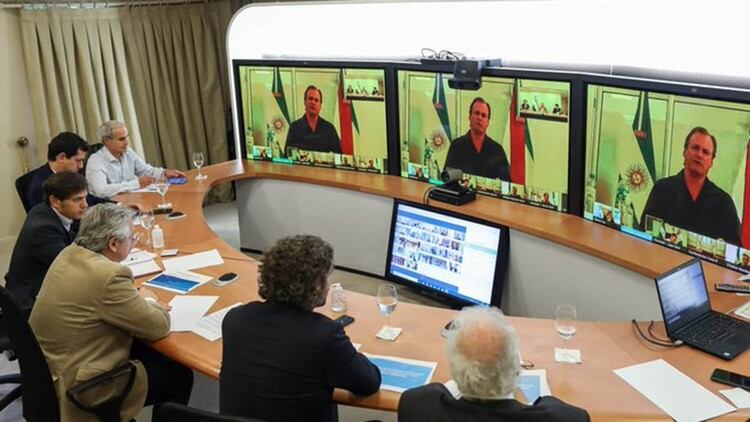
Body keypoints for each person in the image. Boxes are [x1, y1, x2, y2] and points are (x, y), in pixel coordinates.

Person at [29, 203, 193, 422]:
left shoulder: (69, 253)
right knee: (178, 375)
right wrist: (150, 300)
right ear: (113, 244)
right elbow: (158, 326)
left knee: (152, 352)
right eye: (132, 238)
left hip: (50, 372)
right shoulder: (109, 275)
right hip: (81, 387)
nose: (134, 242)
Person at [220, 235, 380, 422]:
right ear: (316, 285)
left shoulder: (235, 318)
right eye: (327, 278)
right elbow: (368, 382)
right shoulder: (324, 335)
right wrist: (349, 353)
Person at [399, 307, 590, 422]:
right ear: (516, 369)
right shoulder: (566, 420)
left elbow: (435, 391)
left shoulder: (416, 406)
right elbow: (554, 407)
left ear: (456, 370)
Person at [641, 126, 740, 245]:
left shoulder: (723, 203)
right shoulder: (662, 189)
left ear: (711, 162)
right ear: (684, 152)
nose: (699, 154)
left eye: (705, 152)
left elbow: (733, 250)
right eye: (695, 148)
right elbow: (645, 232)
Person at [5, 172, 88, 311]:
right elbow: (74, 266)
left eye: (85, 198)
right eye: (77, 200)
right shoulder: (43, 228)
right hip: (32, 304)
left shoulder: (51, 211)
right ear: (55, 201)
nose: (84, 205)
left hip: (49, 286)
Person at [85, 120, 185, 198]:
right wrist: (136, 184)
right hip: (107, 208)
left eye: (126, 137)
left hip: (131, 201)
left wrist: (164, 173)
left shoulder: (128, 152)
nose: (127, 142)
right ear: (106, 141)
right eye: (121, 139)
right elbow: (101, 190)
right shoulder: (95, 161)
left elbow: (146, 171)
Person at [23, 131, 111, 211]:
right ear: (62, 158)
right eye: (78, 161)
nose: (81, 166)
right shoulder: (40, 188)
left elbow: (88, 198)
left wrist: (115, 205)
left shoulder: (70, 174)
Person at [444, 97, 510, 181]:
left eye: (483, 115)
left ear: (488, 122)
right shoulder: (457, 146)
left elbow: (507, 183)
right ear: (470, 117)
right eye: (476, 113)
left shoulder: (497, 150)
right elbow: (447, 178)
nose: (480, 118)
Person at [285, 85, 342, 154]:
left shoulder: (329, 129)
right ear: (305, 102)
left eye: (316, 100)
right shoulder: (295, 127)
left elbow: (339, 156)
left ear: (320, 105)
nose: (313, 102)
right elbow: (288, 155)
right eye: (310, 99)